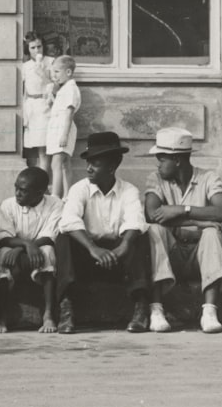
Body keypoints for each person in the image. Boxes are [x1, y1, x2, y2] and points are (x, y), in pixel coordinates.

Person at [56, 131, 152, 334]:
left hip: (118, 257)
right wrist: (93, 248)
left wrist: (123, 247)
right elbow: (69, 220)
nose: (89, 168)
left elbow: (135, 220)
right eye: (88, 162)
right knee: (64, 238)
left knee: (139, 237)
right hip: (88, 256)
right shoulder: (78, 189)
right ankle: (66, 308)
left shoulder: (129, 190)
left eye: (96, 163)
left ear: (112, 166)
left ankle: (141, 307)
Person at [144, 127, 222, 333]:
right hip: (173, 252)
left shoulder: (208, 177)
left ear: (177, 160)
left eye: (162, 158)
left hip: (200, 254)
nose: (158, 165)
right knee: (155, 230)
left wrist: (181, 210)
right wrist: (199, 222)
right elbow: (152, 214)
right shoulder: (155, 179)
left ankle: (209, 311)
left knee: (212, 233)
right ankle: (156, 310)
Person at [0, 167, 63, 334]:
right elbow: (3, 237)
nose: (17, 193)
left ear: (40, 192)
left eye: (23, 191)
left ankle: (48, 314)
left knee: (47, 251)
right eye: (16, 188)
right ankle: (0, 315)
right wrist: (25, 245)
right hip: (15, 254)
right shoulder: (8, 204)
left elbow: (50, 236)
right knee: (2, 254)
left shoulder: (55, 204)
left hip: (38, 254)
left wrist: (30, 246)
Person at [47, 54, 79, 199]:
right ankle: (67, 196)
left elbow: (69, 113)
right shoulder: (64, 89)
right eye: (53, 72)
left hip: (62, 129)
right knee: (65, 163)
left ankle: (55, 196)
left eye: (57, 72)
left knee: (56, 163)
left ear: (68, 72)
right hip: (58, 128)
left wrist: (64, 134)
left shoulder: (71, 89)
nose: (54, 76)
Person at [21, 32, 54, 172]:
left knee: (43, 149)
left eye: (39, 47)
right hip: (31, 106)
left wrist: (43, 75)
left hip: (44, 105)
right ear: (28, 49)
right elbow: (23, 91)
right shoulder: (25, 66)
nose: (37, 51)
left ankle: (44, 181)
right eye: (33, 48)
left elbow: (56, 86)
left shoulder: (50, 62)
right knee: (30, 148)